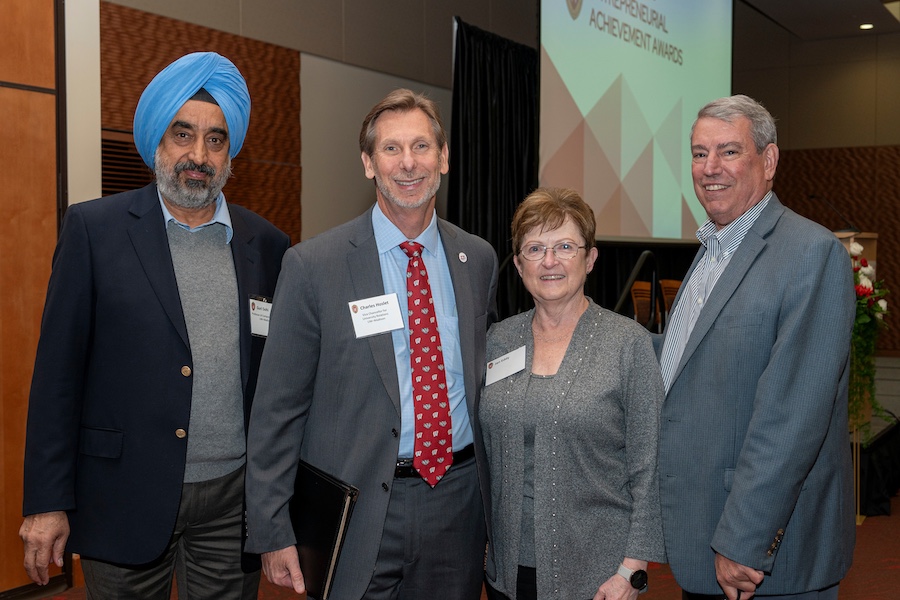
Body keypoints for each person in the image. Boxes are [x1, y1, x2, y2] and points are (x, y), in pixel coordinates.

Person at [19, 52, 290, 599]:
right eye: (182, 134)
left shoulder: (269, 245)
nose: (198, 155)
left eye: (215, 140)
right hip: (123, 494)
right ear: (157, 142)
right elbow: (56, 379)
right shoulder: (94, 231)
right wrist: (47, 501)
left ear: (230, 149)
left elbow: (275, 381)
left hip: (230, 503)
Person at [244, 88, 499, 600]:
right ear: (368, 163)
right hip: (356, 508)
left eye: (422, 147)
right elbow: (277, 408)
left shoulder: (479, 258)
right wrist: (271, 527)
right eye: (391, 149)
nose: (408, 164)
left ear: (444, 158)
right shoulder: (313, 265)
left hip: (457, 502)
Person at [657, 95, 855, 600]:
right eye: (700, 154)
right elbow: (688, 364)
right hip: (705, 539)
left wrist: (744, 540)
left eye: (728, 151)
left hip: (759, 558)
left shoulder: (811, 254)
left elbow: (792, 418)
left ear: (768, 162)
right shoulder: (713, 251)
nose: (710, 168)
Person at [479, 187, 666, 600]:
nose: (550, 261)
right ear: (518, 264)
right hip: (505, 574)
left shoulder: (627, 344)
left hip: (599, 578)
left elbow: (649, 467)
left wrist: (632, 571)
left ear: (591, 258)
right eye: (535, 248)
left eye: (565, 246)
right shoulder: (497, 340)